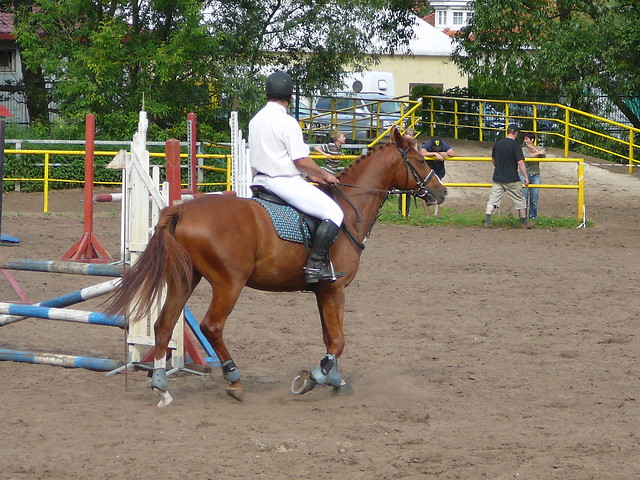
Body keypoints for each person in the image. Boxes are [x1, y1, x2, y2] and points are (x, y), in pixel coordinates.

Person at [249, 71, 345, 284]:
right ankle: (314, 267)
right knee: (334, 212)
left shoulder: (255, 120)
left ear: (266, 93)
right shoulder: (287, 122)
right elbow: (300, 160)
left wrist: (312, 176)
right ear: (290, 97)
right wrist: (325, 175)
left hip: (259, 182)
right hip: (283, 182)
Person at [484, 124, 534, 229]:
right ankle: (524, 223)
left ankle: (487, 221)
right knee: (520, 201)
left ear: (507, 131)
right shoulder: (515, 145)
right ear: (516, 133)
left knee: (493, 200)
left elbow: (493, 159)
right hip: (512, 178)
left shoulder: (498, 144)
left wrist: (498, 167)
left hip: (498, 177)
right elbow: (520, 162)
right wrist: (526, 176)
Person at [420, 137, 456, 219]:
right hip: (427, 172)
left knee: (438, 192)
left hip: (438, 171)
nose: (437, 150)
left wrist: (446, 153)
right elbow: (422, 153)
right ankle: (427, 216)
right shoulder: (426, 144)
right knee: (424, 192)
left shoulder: (444, 144)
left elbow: (454, 153)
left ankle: (436, 214)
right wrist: (434, 154)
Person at [519, 132, 546, 219]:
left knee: (534, 199)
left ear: (532, 139)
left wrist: (534, 149)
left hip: (536, 175)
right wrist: (538, 153)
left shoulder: (538, 148)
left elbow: (543, 156)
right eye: (524, 139)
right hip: (524, 175)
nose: (525, 141)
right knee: (524, 198)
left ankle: (533, 216)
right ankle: (523, 218)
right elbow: (526, 157)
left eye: (527, 139)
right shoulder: (523, 149)